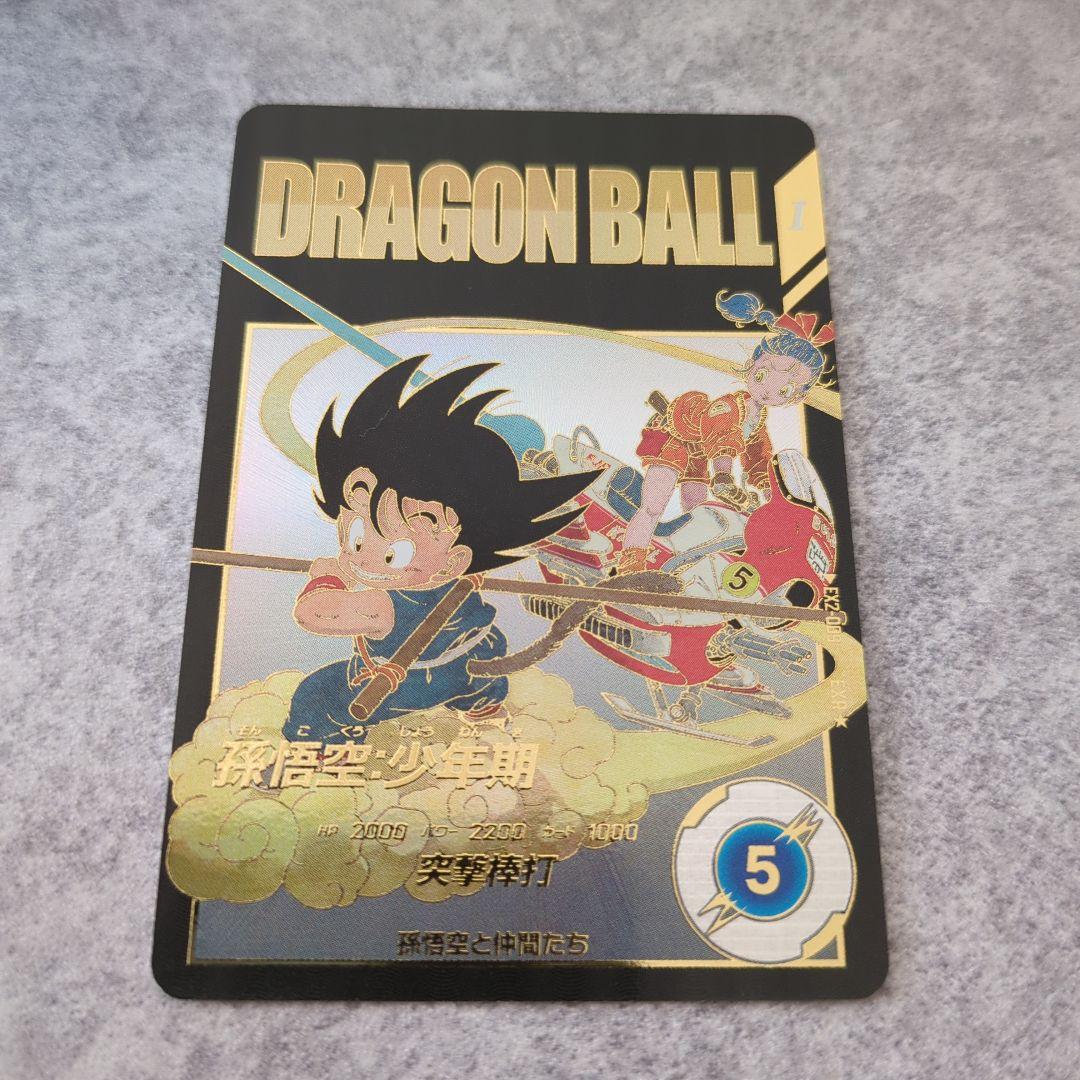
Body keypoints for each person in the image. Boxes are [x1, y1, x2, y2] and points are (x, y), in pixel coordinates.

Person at [284, 355, 600, 743]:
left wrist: (328, 579)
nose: (362, 557)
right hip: (479, 657)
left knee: (315, 694)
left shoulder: (386, 605)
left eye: (392, 554)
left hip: (418, 680)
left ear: (454, 562)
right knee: (475, 668)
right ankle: (485, 707)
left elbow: (316, 614)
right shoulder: (454, 572)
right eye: (357, 538)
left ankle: (327, 750)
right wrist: (356, 566)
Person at [618, 291, 834, 574]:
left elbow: (759, 459)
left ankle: (680, 567)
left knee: (697, 512)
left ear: (798, 395)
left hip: (699, 455)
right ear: (751, 366)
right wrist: (722, 476)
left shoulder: (758, 421)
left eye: (784, 390)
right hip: (674, 442)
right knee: (653, 506)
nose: (768, 391)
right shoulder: (729, 406)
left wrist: (772, 496)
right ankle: (631, 562)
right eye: (761, 376)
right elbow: (723, 437)